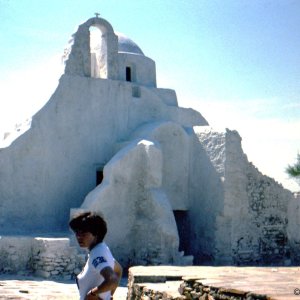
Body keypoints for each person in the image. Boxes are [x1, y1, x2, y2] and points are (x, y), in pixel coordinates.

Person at [69, 211, 122, 300]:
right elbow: (118, 270)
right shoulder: (102, 249)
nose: (79, 236)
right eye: (77, 232)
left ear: (96, 234)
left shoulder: (97, 253)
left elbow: (112, 279)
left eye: (83, 233)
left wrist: (92, 294)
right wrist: (109, 295)